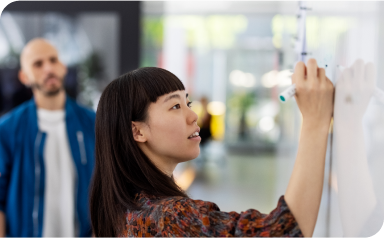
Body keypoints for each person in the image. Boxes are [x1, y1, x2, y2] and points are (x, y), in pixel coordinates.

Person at [90, 60, 334, 238]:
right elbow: (286, 231)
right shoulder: (167, 218)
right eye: (175, 106)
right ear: (138, 131)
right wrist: (315, 122)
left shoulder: (123, 209)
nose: (193, 115)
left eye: (188, 103)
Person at [0, 38, 96, 238]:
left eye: (53, 60)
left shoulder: (93, 124)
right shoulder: (7, 130)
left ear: (62, 67)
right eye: (38, 64)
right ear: (24, 76)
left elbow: (110, 189)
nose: (48, 68)